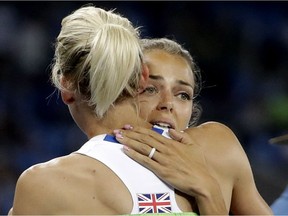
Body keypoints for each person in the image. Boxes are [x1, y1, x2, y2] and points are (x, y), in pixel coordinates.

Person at [8, 5, 223, 215]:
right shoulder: (216, 146)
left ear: (66, 87)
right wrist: (210, 191)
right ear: (143, 78)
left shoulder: (44, 184)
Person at [112, 38, 273, 215]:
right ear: (118, 95)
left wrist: (207, 188)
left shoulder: (217, 148)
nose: (168, 103)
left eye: (182, 95)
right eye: (150, 89)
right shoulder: (92, 165)